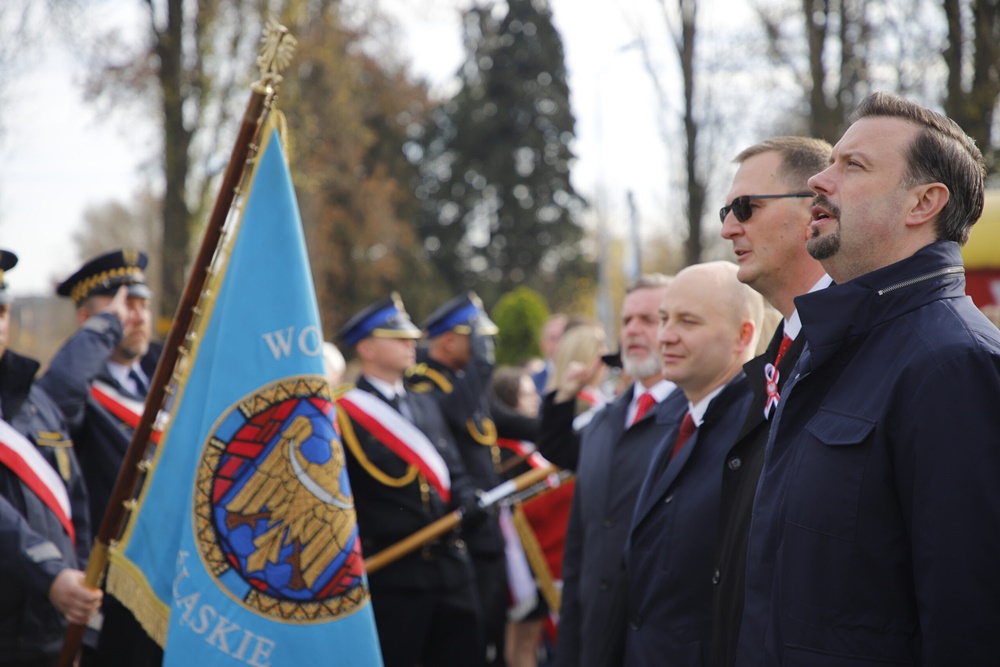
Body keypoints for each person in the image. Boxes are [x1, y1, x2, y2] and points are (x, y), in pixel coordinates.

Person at [738, 92, 1000, 664]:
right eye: (829, 162)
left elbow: (971, 623)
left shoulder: (956, 365)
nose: (818, 182)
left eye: (852, 166)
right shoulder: (830, 352)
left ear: (923, 202)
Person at [712, 135, 832, 667]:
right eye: (726, 211)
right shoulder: (780, 352)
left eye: (746, 208)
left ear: (814, 212)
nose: (727, 228)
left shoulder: (862, 349)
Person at [333, 294, 484, 667]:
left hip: (451, 572)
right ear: (366, 348)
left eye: (411, 337)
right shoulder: (343, 414)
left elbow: (455, 472)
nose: (411, 343)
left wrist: (468, 498)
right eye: (397, 338)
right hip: (395, 577)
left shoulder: (425, 403)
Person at [534, 274, 678, 667]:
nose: (633, 329)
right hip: (595, 635)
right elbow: (580, 551)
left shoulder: (699, 418)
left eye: (650, 319)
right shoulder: (605, 420)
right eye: (627, 319)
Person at [624, 262, 763, 666]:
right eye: (664, 319)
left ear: (743, 335)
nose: (665, 336)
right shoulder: (680, 423)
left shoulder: (755, 434)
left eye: (688, 321)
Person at [38, 248, 162, 667]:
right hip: (113, 585)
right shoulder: (77, 387)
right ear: (89, 320)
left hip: (171, 577)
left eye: (143, 305)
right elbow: (57, 397)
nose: (138, 317)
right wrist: (107, 327)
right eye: (124, 308)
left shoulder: (167, 377)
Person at [407, 292, 527, 667]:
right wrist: (482, 364)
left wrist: (564, 429)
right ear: (448, 340)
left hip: (487, 528)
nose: (483, 347)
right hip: (460, 532)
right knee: (468, 642)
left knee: (492, 631)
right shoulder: (423, 385)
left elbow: (507, 422)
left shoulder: (465, 383)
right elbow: (456, 413)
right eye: (476, 339)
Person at [0, 249, 102, 666]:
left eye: (1, 310)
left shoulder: (36, 402)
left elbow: (72, 505)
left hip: (50, 639)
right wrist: (52, 575)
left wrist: (79, 600)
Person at [531, 314, 567, 394]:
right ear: (542, 345)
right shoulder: (533, 382)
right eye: (552, 339)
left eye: (562, 338)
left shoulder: (584, 375)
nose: (558, 345)